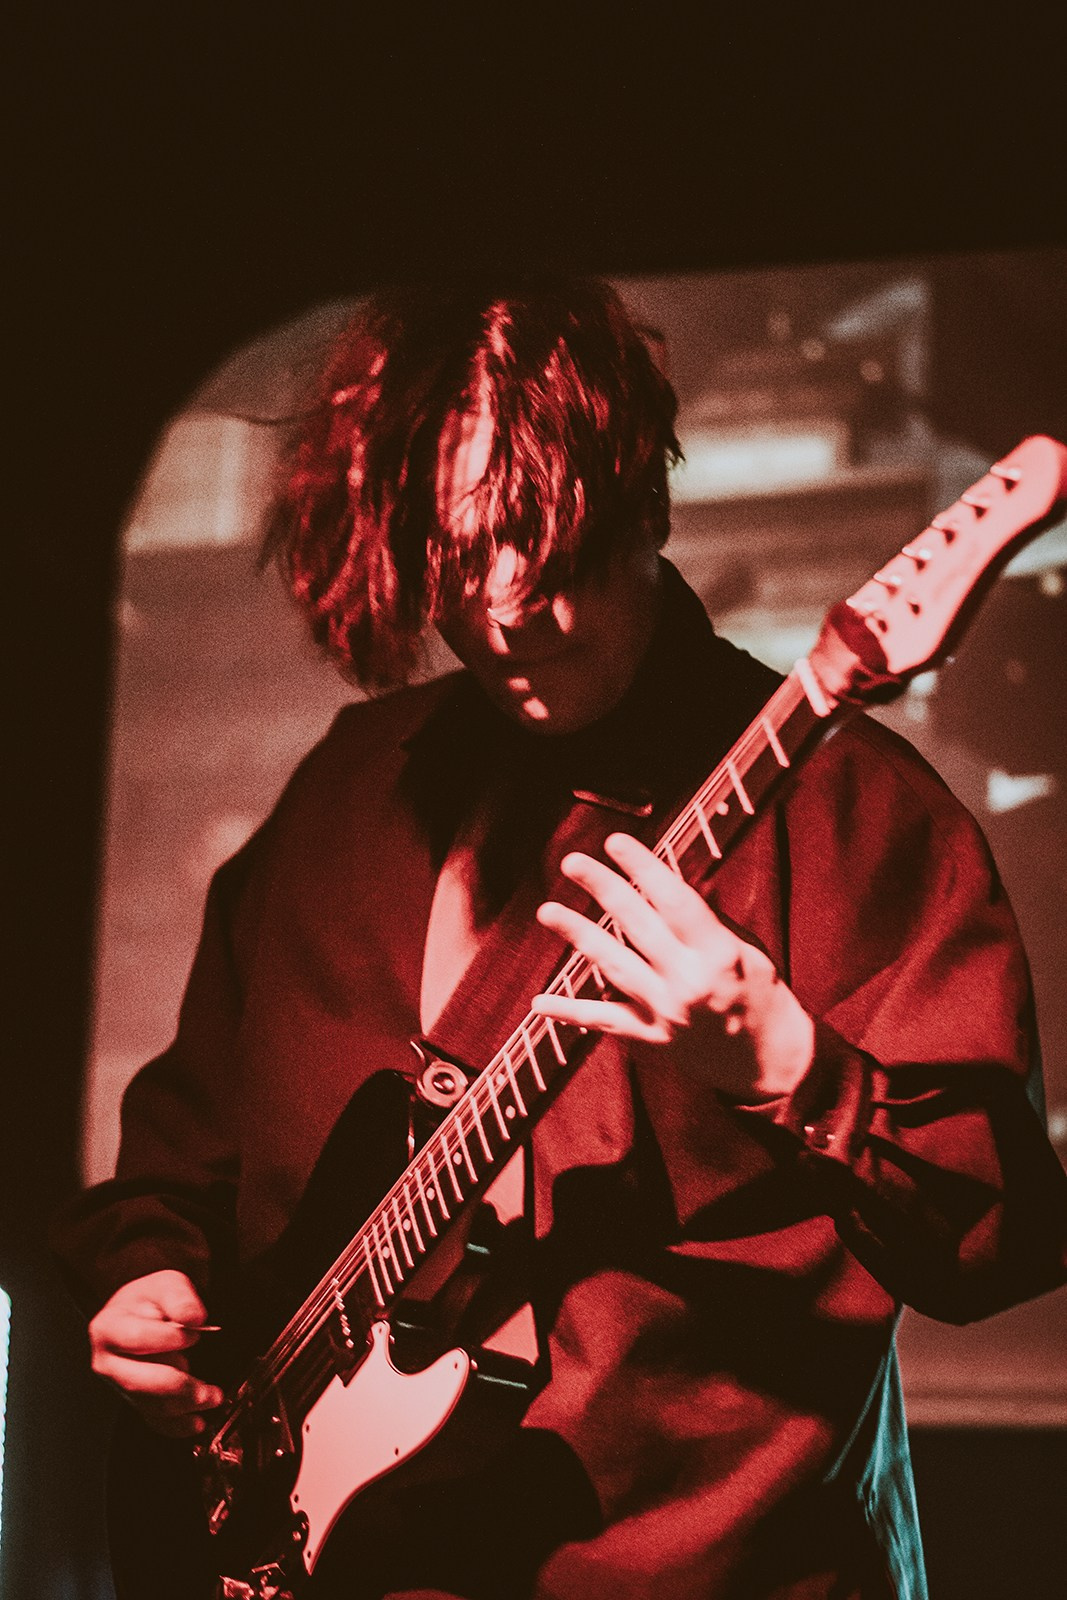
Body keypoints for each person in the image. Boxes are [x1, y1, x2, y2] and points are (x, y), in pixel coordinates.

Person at [53, 277, 1067, 1600]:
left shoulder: (858, 816)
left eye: (543, 542)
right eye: (455, 552)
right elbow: (185, 1151)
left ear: (643, 503)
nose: (504, 609)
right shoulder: (349, 785)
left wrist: (791, 1069)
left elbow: (1001, 1249)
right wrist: (150, 1276)